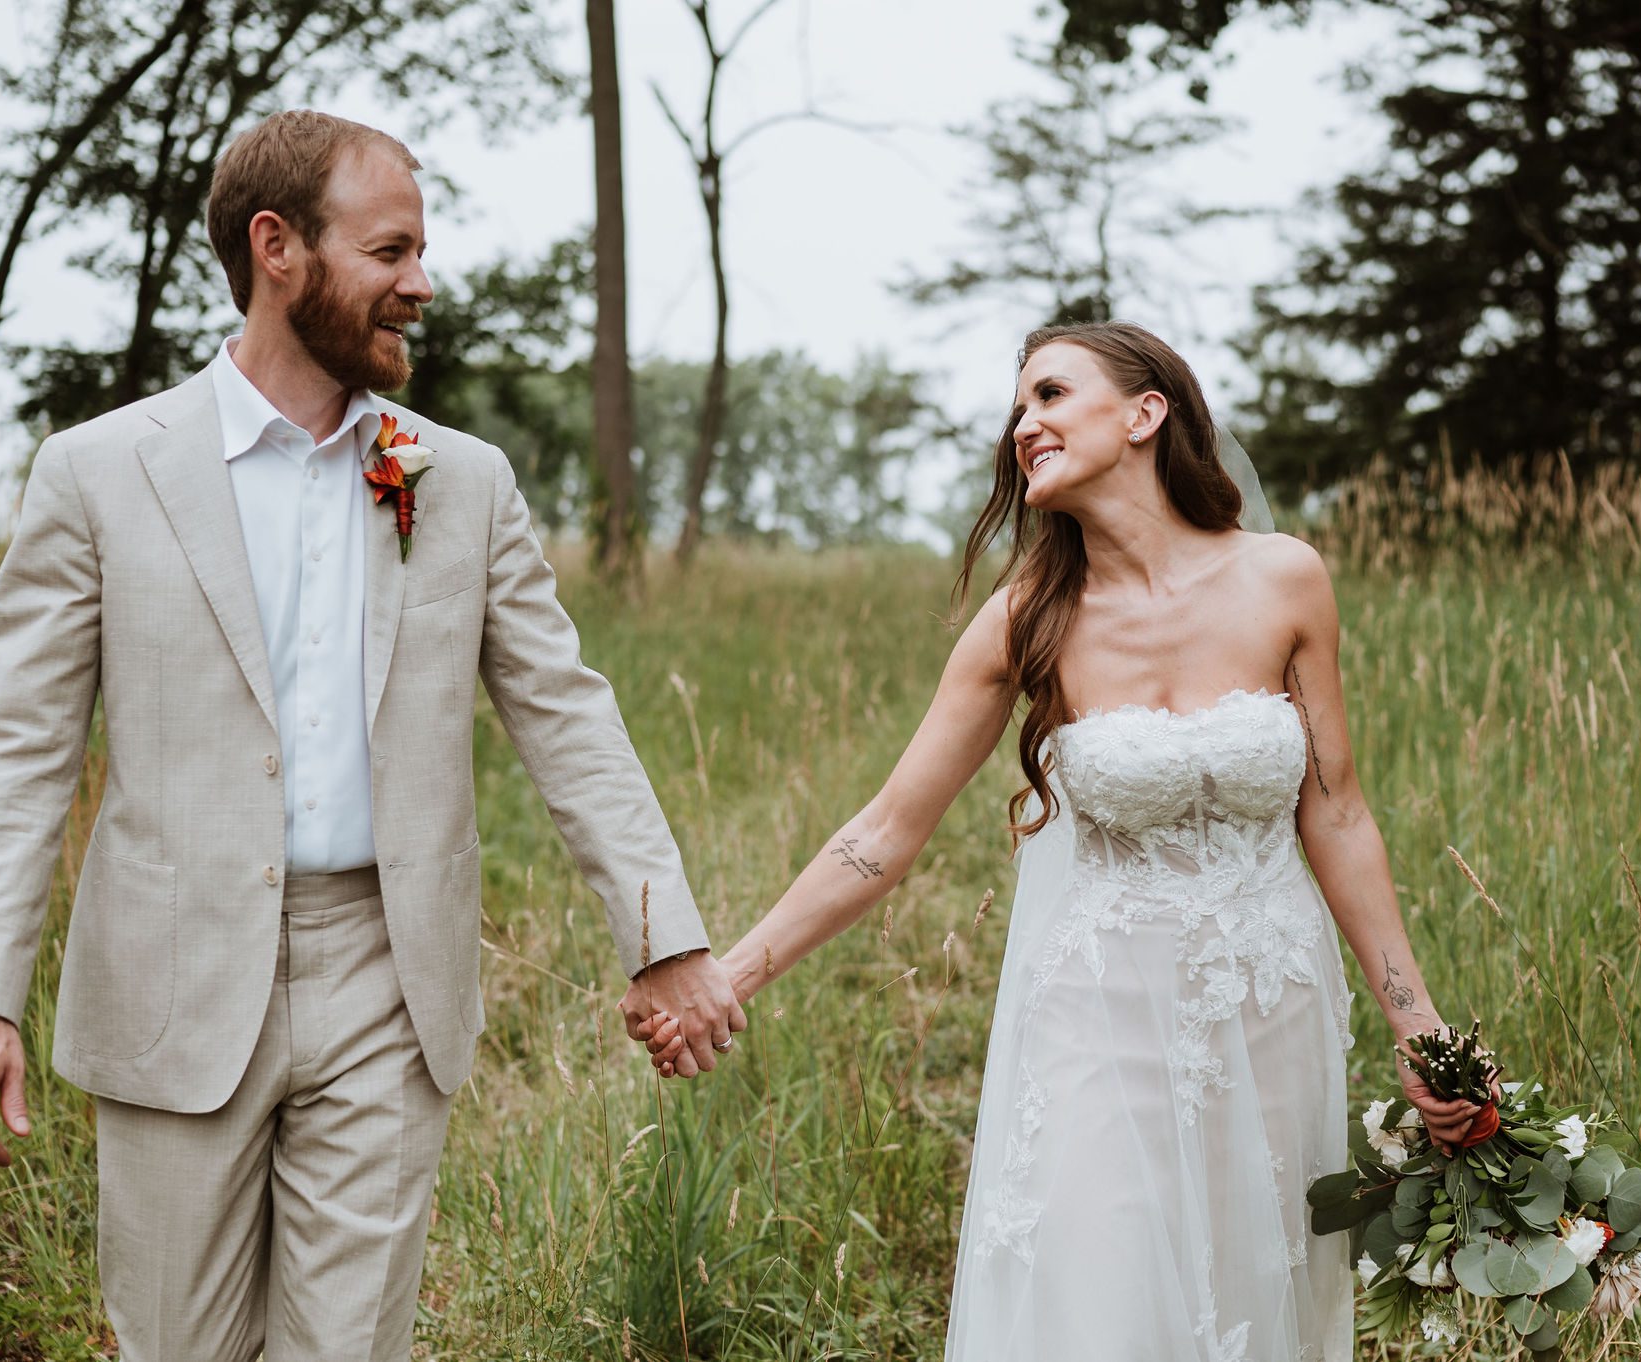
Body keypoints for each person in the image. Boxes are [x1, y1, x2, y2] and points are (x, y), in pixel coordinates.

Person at [0, 109, 744, 1362]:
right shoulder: (95, 474)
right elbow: (18, 755)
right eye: (390, 250)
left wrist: (661, 934)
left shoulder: (456, 480)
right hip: (170, 976)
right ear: (278, 249)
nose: (421, 283)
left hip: (387, 974)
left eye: (421, 251)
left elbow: (567, 715)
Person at [630, 321, 1485, 1360]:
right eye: (1017, 406)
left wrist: (1416, 1026)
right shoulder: (1023, 618)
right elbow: (884, 833)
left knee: (1251, 1291)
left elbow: (1336, 813)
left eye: (1048, 395)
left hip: (1271, 1003)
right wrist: (731, 973)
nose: (1021, 424)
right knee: (1105, 1294)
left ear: (1143, 413)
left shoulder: (1283, 579)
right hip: (1098, 1016)